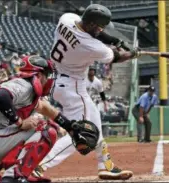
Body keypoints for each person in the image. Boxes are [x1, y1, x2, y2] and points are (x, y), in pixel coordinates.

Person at [34, 4, 141, 181]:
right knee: (81, 133)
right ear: (92, 24)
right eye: (99, 26)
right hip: (73, 87)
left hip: (56, 80)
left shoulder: (66, 19)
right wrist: (132, 54)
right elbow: (115, 57)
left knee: (95, 125)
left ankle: (106, 165)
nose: (101, 30)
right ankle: (39, 164)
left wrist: (115, 40)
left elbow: (96, 34)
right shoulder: (91, 46)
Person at [0, 55, 100, 183]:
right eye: (47, 75)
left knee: (15, 136)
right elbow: (1, 96)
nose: (49, 79)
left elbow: (45, 108)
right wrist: (20, 123)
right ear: (39, 75)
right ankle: (13, 177)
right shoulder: (24, 85)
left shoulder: (19, 86)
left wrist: (69, 127)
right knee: (45, 129)